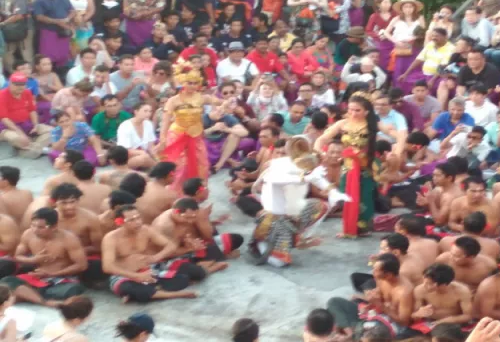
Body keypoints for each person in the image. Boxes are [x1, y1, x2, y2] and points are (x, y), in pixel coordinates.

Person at [248, 136, 349, 266]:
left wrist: (333, 193)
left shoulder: (305, 165)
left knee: (320, 206)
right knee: (280, 263)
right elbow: (277, 180)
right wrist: (305, 179)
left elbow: (317, 180)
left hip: (292, 213)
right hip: (275, 217)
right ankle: (262, 245)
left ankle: (300, 238)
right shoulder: (275, 169)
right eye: (279, 153)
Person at [314, 92, 382, 238]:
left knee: (364, 197)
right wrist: (321, 152)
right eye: (350, 109)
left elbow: (397, 134)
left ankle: (363, 228)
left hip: (366, 166)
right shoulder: (342, 124)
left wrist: (398, 148)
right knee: (347, 195)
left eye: (357, 110)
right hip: (348, 166)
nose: (353, 113)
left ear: (367, 111)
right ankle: (349, 227)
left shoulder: (372, 125)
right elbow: (322, 139)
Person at [102, 204, 198, 303]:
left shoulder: (146, 230)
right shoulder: (111, 238)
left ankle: (146, 293)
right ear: (120, 222)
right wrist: (135, 276)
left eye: (138, 217)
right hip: (125, 275)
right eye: (131, 220)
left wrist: (156, 257)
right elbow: (108, 267)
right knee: (127, 287)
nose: (138, 222)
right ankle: (172, 294)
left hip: (149, 269)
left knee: (190, 275)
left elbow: (170, 245)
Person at [0, 207, 87, 307]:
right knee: (7, 281)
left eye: (41, 227)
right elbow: (17, 256)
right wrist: (33, 259)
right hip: (37, 277)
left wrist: (52, 274)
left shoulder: (69, 239)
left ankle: (26, 295)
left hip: (61, 279)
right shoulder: (28, 234)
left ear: (54, 227)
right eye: (33, 225)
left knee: (73, 289)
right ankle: (43, 301)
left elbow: (81, 265)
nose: (35, 230)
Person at [157, 62, 217, 192]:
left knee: (202, 164)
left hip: (196, 136)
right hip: (177, 135)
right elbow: (166, 121)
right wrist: (162, 139)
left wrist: (226, 104)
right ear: (182, 82)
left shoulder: (202, 98)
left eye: (195, 83)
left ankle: (195, 192)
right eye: (189, 83)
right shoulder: (173, 100)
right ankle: (174, 194)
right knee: (179, 166)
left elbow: (218, 101)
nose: (192, 86)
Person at [327, 254, 414, 339]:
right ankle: (350, 333)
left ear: (388, 275)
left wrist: (380, 305)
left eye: (376, 270)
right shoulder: (381, 279)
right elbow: (378, 297)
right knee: (334, 302)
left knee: (371, 334)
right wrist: (368, 305)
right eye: (374, 269)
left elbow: (404, 323)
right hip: (374, 314)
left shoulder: (404, 292)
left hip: (389, 323)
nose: (373, 272)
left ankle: (352, 330)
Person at [151, 197, 230, 275]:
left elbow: (206, 236)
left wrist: (190, 242)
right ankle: (206, 269)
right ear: (176, 212)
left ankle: (204, 266)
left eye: (193, 217)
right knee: (191, 272)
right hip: (165, 259)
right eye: (188, 218)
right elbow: (167, 253)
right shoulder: (165, 226)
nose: (190, 221)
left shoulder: (180, 217)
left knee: (222, 245)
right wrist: (189, 248)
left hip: (182, 251)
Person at [410, 263, 473, 335]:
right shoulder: (420, 290)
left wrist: (444, 321)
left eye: (429, 284)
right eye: (424, 281)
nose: (424, 285)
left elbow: (468, 316)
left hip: (452, 325)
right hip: (429, 323)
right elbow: (413, 316)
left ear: (444, 284)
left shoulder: (461, 291)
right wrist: (418, 314)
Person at [0, 72, 52, 158]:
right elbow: (4, 119)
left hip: (27, 123)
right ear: (10, 83)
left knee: (53, 131)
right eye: (16, 84)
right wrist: (20, 133)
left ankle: (32, 150)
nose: (20, 87)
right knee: (17, 139)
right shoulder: (1, 95)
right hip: (7, 128)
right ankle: (40, 149)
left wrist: (35, 125)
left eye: (22, 84)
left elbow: (32, 110)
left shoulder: (27, 92)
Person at [33, 0, 75, 68]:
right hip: (48, 32)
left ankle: (61, 75)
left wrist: (67, 19)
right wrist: (57, 22)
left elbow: (72, 11)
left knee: (63, 56)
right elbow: (39, 17)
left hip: (63, 32)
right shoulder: (39, 1)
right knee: (47, 57)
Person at [416, 162, 464, 226]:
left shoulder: (450, 196)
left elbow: (439, 222)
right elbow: (433, 207)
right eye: (433, 175)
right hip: (433, 217)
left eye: (438, 176)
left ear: (449, 178)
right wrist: (425, 203)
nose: (434, 178)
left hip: (446, 226)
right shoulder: (439, 187)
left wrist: (430, 202)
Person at [116, 102, 157, 170]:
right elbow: (124, 150)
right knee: (144, 157)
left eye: (150, 111)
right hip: (127, 159)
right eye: (145, 111)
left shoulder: (149, 124)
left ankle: (158, 167)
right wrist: (141, 152)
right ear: (136, 112)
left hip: (145, 155)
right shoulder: (125, 126)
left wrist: (157, 157)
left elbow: (151, 146)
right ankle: (159, 169)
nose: (149, 114)